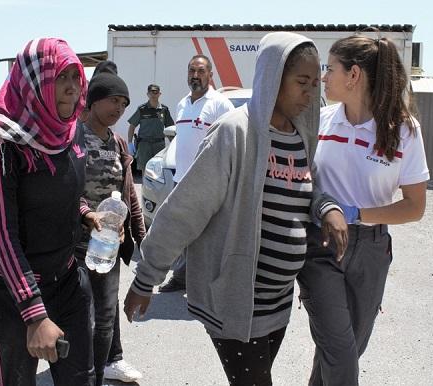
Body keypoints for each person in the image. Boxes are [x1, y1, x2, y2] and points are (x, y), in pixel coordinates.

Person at [124, 32, 344, 386]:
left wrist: (328, 207)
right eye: (301, 82)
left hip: (278, 303)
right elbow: (185, 210)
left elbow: (310, 189)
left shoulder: (299, 136)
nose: (310, 92)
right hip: (238, 301)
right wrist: (147, 277)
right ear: (273, 77)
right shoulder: (234, 133)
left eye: (315, 83)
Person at [296, 34, 429, 386]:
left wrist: (357, 213)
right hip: (320, 248)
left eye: (330, 69)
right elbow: (300, 183)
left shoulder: (404, 131)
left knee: (344, 350)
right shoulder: (320, 123)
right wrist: (329, 211)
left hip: (371, 251)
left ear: (353, 75)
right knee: (339, 352)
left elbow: (415, 207)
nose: (324, 78)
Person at [0, 38, 95, 385]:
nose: (72, 88)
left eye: (75, 76)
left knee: (80, 377)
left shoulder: (71, 128)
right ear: (35, 83)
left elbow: (64, 189)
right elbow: (1, 232)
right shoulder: (2, 142)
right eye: (60, 78)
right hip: (14, 292)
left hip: (66, 277)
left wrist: (85, 213)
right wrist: (34, 313)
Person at [75, 62, 146, 385]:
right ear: (94, 100)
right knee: (82, 318)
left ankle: (97, 374)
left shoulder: (118, 143)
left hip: (109, 246)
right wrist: (86, 215)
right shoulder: (74, 138)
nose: (119, 108)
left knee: (105, 317)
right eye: (114, 100)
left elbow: (129, 191)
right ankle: (80, 373)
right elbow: (62, 189)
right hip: (75, 245)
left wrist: (139, 233)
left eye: (124, 103)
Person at [159, 54, 235, 293]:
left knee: (207, 235)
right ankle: (183, 277)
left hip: (207, 183)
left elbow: (233, 137)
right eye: (192, 71)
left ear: (210, 75)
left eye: (201, 71)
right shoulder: (182, 104)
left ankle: (207, 282)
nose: (195, 75)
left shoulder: (219, 103)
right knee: (182, 233)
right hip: (181, 179)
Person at [127, 84, 174, 172]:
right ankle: (144, 186)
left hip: (159, 145)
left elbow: (170, 128)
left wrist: (173, 144)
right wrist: (130, 143)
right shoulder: (142, 109)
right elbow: (132, 126)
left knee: (158, 172)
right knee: (145, 172)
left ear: (159, 94)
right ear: (147, 94)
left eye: (156, 92)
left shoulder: (164, 109)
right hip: (144, 145)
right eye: (151, 92)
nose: (153, 95)